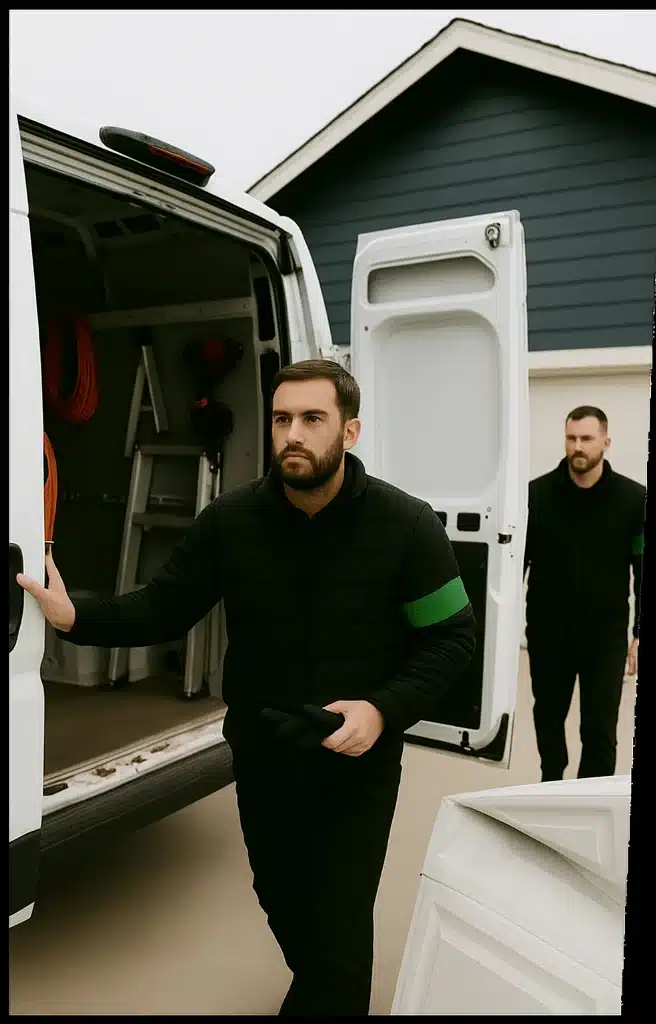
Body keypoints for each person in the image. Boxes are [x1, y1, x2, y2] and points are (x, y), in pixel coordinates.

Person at [18, 359, 476, 1017]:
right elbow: (163, 607)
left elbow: (453, 638)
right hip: (263, 754)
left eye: (312, 419)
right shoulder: (230, 523)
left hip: (357, 765)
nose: (293, 433)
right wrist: (75, 616)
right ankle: (318, 981)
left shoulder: (405, 527)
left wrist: (382, 710)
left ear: (349, 431)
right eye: (282, 418)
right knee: (283, 901)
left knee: (339, 930)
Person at [524, 405, 646, 783]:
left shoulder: (633, 499)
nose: (577, 446)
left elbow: (642, 572)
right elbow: (516, 568)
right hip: (548, 634)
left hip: (605, 638)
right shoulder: (535, 496)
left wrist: (638, 633)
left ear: (605, 442)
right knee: (547, 721)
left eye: (586, 439)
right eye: (571, 438)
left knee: (599, 733)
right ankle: (550, 788)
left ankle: (591, 806)